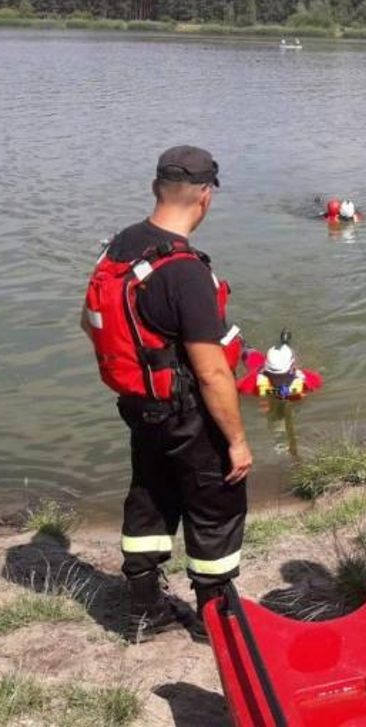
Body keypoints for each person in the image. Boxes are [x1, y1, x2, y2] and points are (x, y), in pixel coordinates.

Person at [82, 145, 252, 644]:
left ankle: (144, 611)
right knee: (214, 504)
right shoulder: (184, 271)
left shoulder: (117, 248)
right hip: (188, 412)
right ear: (205, 196)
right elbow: (214, 374)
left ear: (157, 187)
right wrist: (237, 440)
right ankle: (215, 620)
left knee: (151, 495)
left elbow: (89, 321)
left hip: (140, 407)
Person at [237, 331, 323, 400]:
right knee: (246, 350)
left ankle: (284, 343)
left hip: (262, 366)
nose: (279, 382)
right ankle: (242, 341)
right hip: (260, 365)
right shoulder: (310, 380)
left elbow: (237, 390)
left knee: (250, 355)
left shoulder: (248, 384)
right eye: (276, 377)